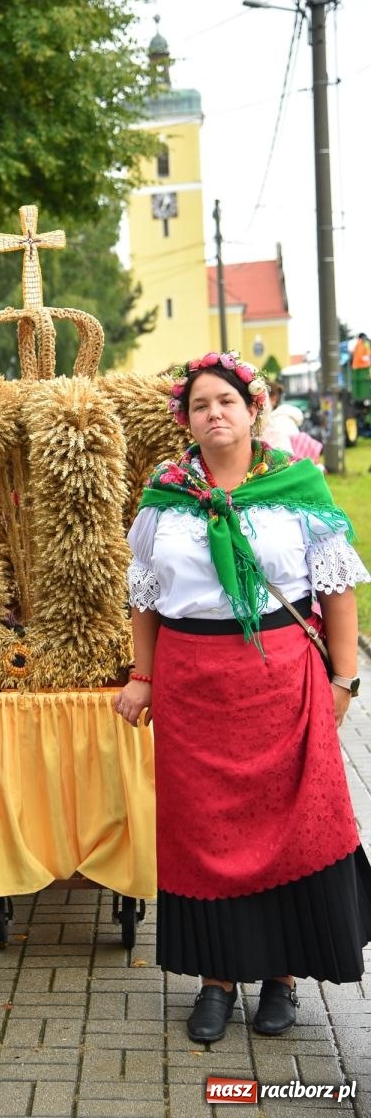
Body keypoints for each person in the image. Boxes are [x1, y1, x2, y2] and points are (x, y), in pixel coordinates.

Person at [115, 350, 371, 1044]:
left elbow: (335, 589)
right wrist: (141, 675)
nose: (214, 414)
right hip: (193, 683)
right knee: (202, 834)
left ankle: (281, 977)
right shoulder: (163, 497)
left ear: (252, 408)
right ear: (186, 421)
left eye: (225, 401)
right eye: (199, 405)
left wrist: (342, 679)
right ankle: (215, 980)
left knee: (286, 830)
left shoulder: (296, 485)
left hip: (280, 678)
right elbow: (144, 595)